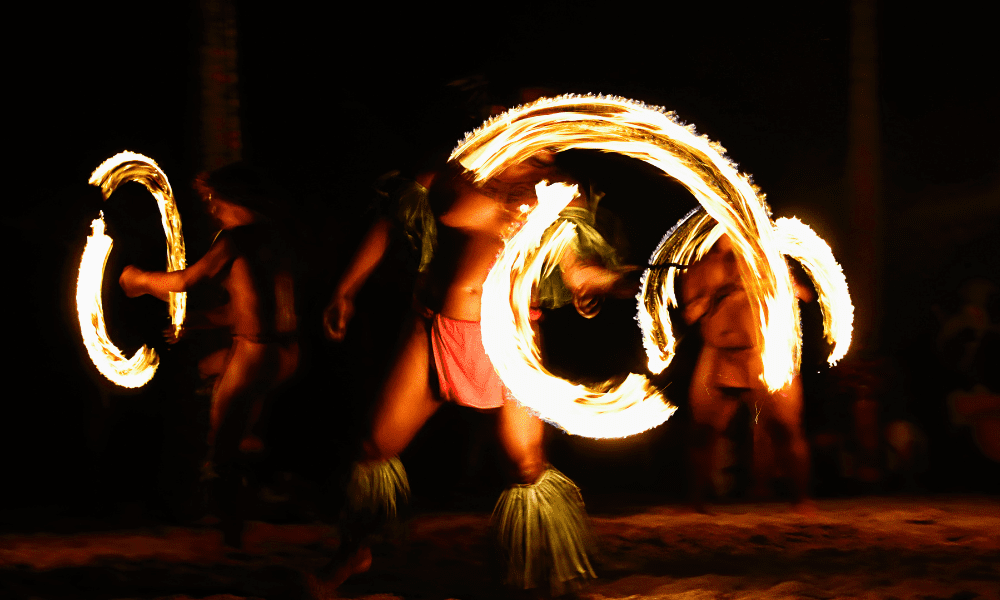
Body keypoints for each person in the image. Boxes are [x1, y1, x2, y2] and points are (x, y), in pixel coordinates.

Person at [314, 151, 636, 596]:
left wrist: (612, 281)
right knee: (374, 445)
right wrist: (345, 289)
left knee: (526, 465)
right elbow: (389, 222)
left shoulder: (560, 189)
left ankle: (542, 575)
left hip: (510, 338)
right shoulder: (448, 173)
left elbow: (577, 267)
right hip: (433, 329)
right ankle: (354, 551)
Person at [119, 163, 299, 545]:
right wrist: (193, 323)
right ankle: (251, 457)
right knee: (206, 372)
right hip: (285, 350)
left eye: (209, 198)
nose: (208, 206)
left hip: (257, 353)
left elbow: (185, 281)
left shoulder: (236, 240)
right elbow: (244, 310)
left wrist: (138, 280)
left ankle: (231, 528)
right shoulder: (274, 235)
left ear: (225, 196)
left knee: (223, 442)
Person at [680, 232, 815, 513]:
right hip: (719, 353)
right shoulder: (701, 268)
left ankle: (801, 501)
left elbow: (804, 295)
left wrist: (778, 285)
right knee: (701, 432)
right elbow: (690, 314)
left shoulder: (766, 261)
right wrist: (718, 293)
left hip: (764, 352)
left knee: (787, 427)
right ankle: (695, 503)